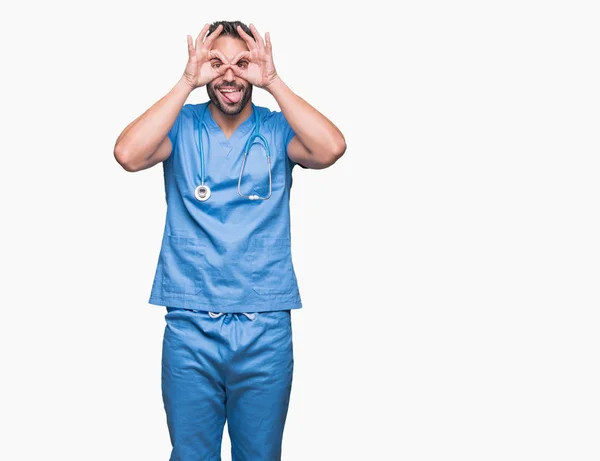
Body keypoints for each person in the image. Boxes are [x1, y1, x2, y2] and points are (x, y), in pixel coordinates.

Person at [114, 20, 346, 461]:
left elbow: (331, 148)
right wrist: (186, 81)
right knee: (191, 455)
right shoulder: (180, 127)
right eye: (215, 62)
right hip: (190, 323)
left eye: (243, 63)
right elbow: (128, 154)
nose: (229, 75)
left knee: (260, 455)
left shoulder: (277, 131)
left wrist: (273, 82)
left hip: (264, 325)